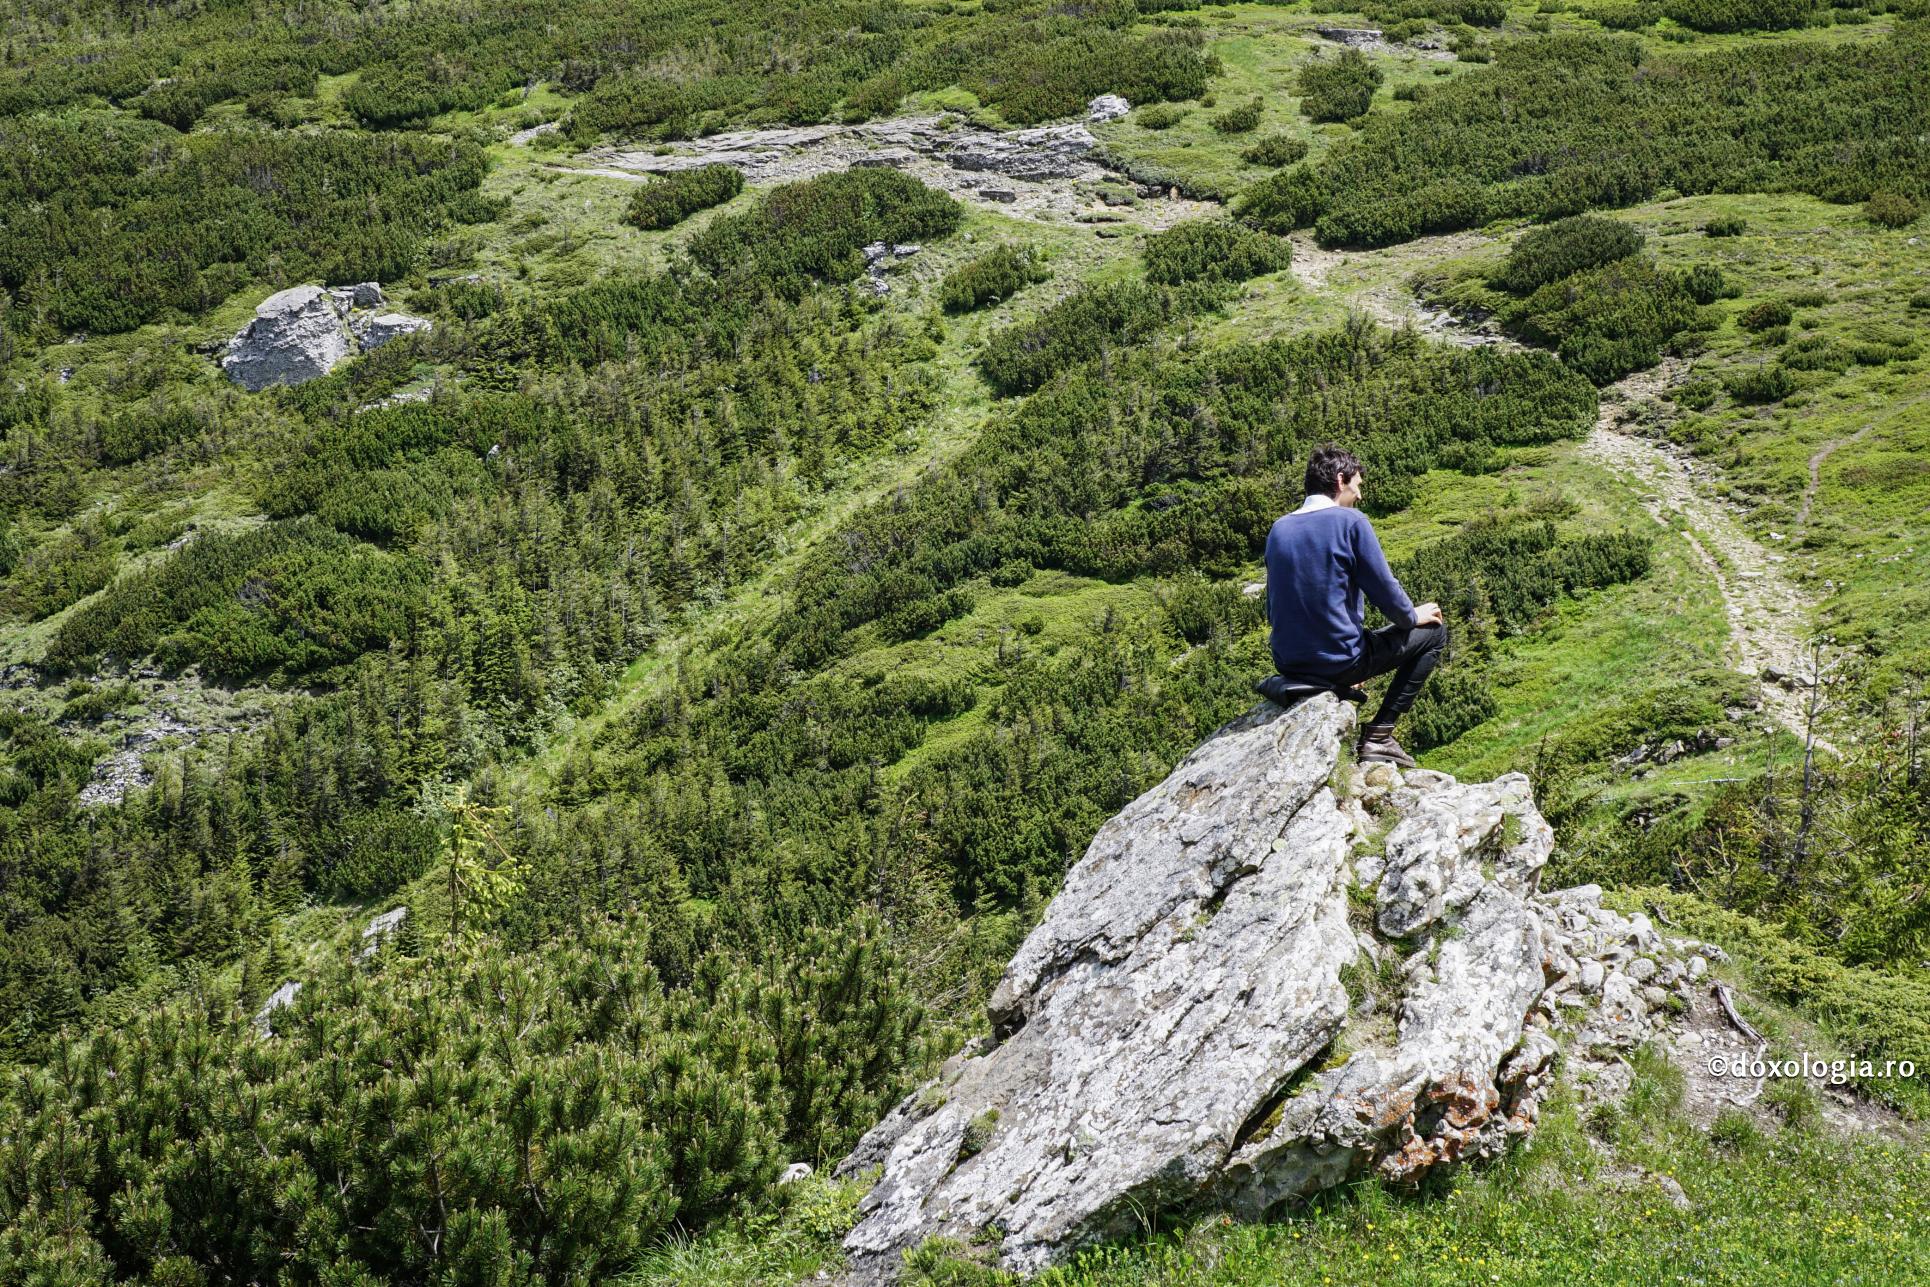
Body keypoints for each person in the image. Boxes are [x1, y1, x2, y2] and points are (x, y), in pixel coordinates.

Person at [1264, 445, 1446, 768]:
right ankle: (1380, 735)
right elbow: (1387, 594)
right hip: (1338, 661)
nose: (1359, 496)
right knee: (1435, 632)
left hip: (1288, 663)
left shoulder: (1279, 530)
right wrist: (1413, 615)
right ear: (1340, 480)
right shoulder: (1351, 522)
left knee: (1362, 644)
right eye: (1357, 485)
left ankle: (1347, 679)